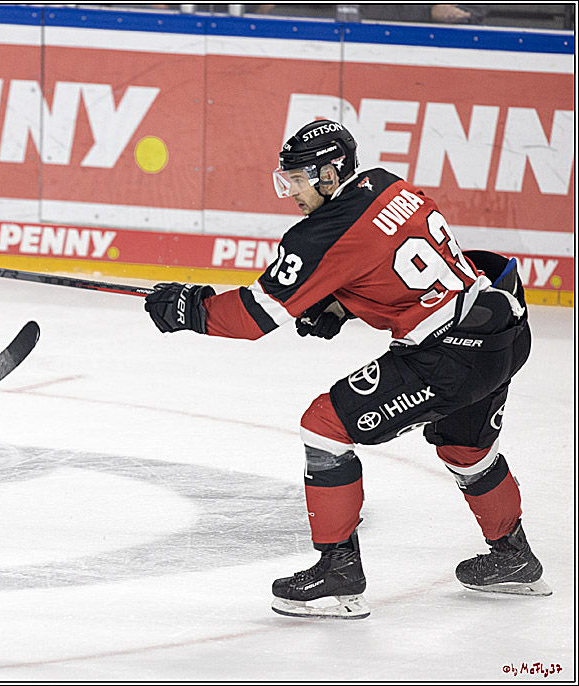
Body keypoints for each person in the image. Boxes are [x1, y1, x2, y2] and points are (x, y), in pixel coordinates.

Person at [144, 119, 550, 618]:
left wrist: (190, 309)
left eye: (298, 180)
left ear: (330, 173)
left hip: (447, 356)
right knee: (467, 450)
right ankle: (514, 559)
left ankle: (338, 573)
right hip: (502, 330)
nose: (291, 192)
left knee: (325, 426)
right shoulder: (386, 184)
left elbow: (252, 317)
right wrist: (340, 306)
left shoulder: (320, 234)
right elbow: (398, 266)